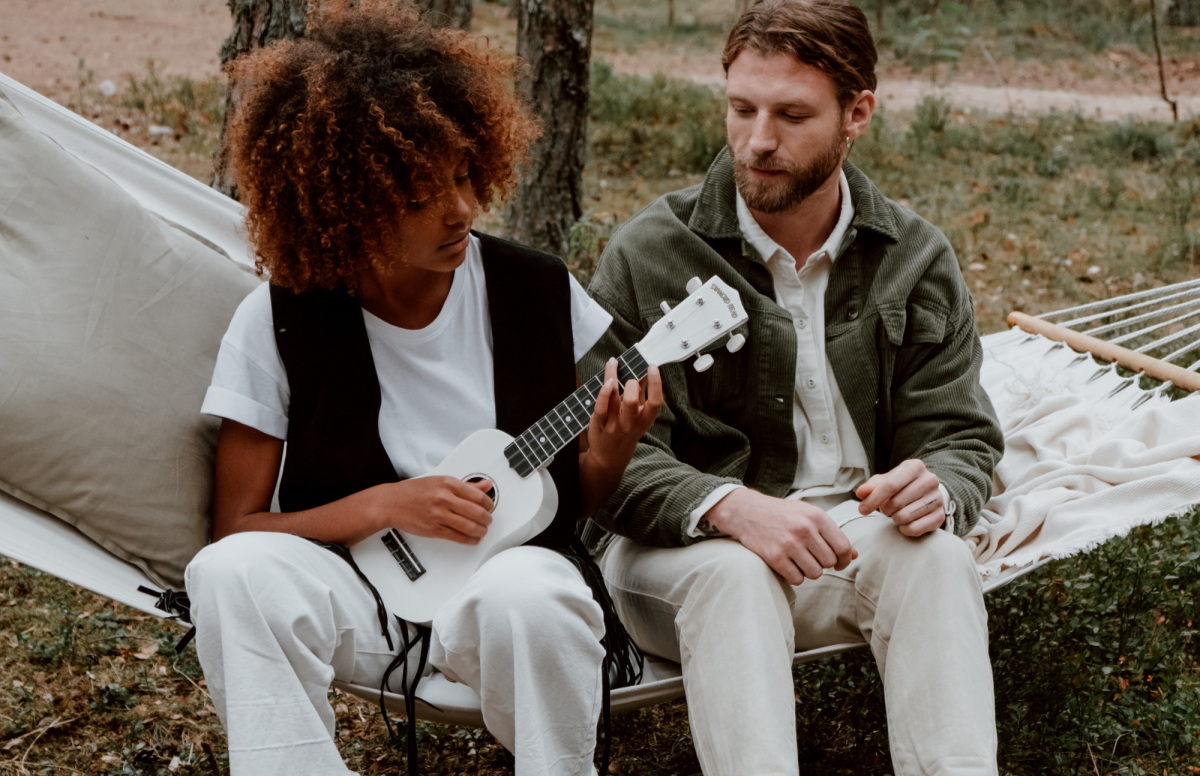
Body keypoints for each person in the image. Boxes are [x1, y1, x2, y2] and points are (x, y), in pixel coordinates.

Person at [184, 3, 660, 775]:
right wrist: (385, 506)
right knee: (226, 576)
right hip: (355, 595)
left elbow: (571, 503)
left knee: (536, 593)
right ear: (345, 205)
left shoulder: (533, 289)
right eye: (416, 198)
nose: (460, 211)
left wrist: (610, 450)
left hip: (500, 600)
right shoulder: (277, 319)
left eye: (466, 176)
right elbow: (236, 528)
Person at [579, 1, 1006, 774]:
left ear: (858, 114)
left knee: (938, 557)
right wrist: (728, 507)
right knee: (735, 574)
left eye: (792, 114)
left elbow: (960, 434)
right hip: (683, 560)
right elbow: (609, 464)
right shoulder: (652, 252)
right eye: (741, 109)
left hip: (847, 538)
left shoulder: (913, 256)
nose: (758, 140)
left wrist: (936, 485)